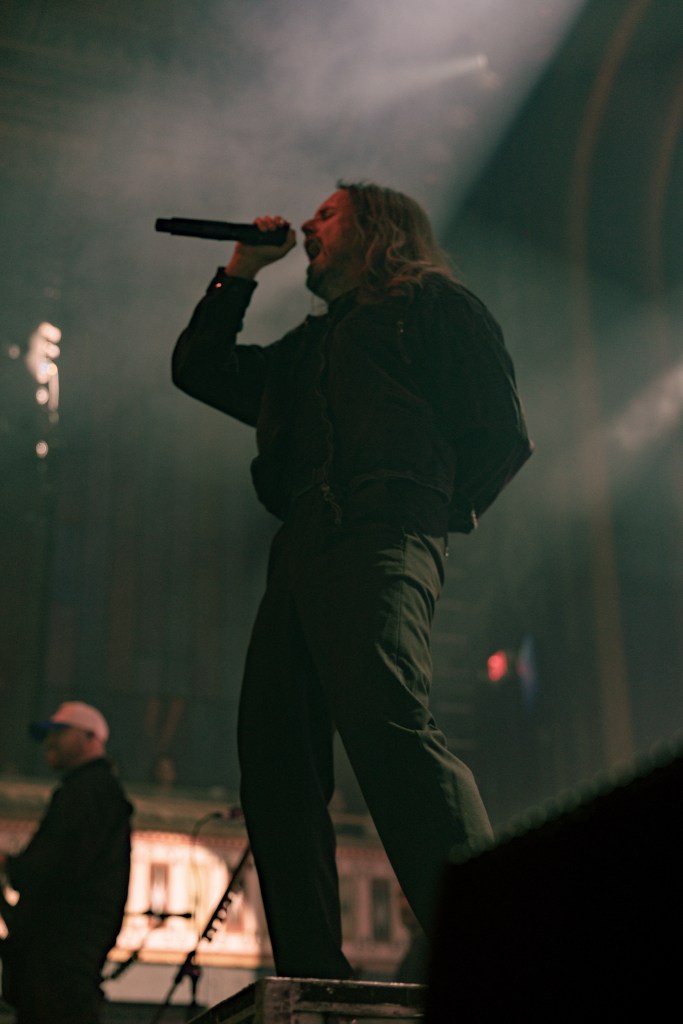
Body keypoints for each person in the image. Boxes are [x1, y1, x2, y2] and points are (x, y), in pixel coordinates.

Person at [171, 181, 532, 979]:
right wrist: (239, 270)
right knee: (275, 757)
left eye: (327, 214)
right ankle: (311, 970)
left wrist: (421, 507)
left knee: (388, 727)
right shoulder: (305, 350)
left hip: (383, 531)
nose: (305, 224)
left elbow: (499, 432)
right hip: (301, 544)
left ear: (377, 227)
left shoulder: (433, 307)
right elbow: (199, 369)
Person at [0, 701, 132, 1023]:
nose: (50, 742)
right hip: (68, 959)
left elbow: (52, 866)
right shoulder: (101, 794)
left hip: (57, 960)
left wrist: (12, 866)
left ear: (90, 737)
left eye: (60, 732)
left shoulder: (85, 793)